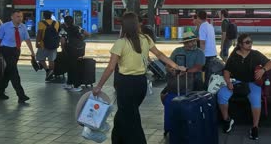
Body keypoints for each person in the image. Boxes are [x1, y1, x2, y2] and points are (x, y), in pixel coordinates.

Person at [92, 12, 186, 144]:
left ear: (123, 26)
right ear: (137, 24)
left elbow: (110, 68)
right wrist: (176, 66)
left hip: (125, 84)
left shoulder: (121, 43)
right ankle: (117, 140)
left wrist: (99, 86)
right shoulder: (146, 39)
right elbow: (159, 54)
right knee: (123, 115)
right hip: (140, 84)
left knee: (131, 118)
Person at [218, 33, 271, 140]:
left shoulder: (255, 54)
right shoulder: (234, 56)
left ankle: (255, 127)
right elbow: (227, 70)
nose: (250, 44)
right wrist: (228, 82)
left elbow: (269, 63)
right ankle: (227, 120)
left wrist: (263, 70)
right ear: (240, 44)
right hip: (236, 82)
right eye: (247, 42)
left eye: (251, 42)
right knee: (221, 95)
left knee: (256, 99)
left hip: (252, 83)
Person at [161, 31, 205, 135]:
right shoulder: (177, 51)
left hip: (193, 79)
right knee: (164, 95)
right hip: (177, 80)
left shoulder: (199, 52)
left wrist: (185, 71)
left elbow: (198, 67)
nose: (192, 43)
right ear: (184, 43)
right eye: (189, 42)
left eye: (194, 41)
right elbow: (168, 64)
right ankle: (170, 124)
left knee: (190, 99)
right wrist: (171, 69)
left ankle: (189, 123)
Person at [0, 10, 36, 103]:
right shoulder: (4, 26)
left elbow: (27, 39)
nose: (20, 18)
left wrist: (32, 52)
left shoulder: (23, 27)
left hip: (16, 50)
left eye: (21, 16)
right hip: (6, 50)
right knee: (14, 72)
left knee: (8, 72)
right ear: (12, 17)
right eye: (17, 16)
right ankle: (21, 95)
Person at [59, 16, 90, 92]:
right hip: (79, 50)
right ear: (73, 21)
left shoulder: (64, 29)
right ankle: (69, 83)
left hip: (70, 51)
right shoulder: (78, 27)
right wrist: (82, 40)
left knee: (72, 68)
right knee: (71, 66)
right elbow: (88, 34)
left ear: (65, 22)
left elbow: (62, 41)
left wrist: (63, 50)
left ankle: (77, 86)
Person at [36, 10, 60, 81]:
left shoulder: (41, 23)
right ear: (51, 15)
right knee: (51, 60)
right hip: (54, 45)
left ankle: (47, 71)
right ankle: (51, 74)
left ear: (44, 16)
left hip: (44, 45)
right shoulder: (56, 23)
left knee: (40, 58)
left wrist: (37, 42)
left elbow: (39, 34)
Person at [196, 10, 218, 87]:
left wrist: (200, 55)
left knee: (205, 77)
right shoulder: (210, 26)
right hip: (213, 53)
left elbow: (202, 43)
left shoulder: (202, 27)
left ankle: (205, 93)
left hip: (207, 55)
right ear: (206, 17)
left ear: (198, 18)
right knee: (210, 77)